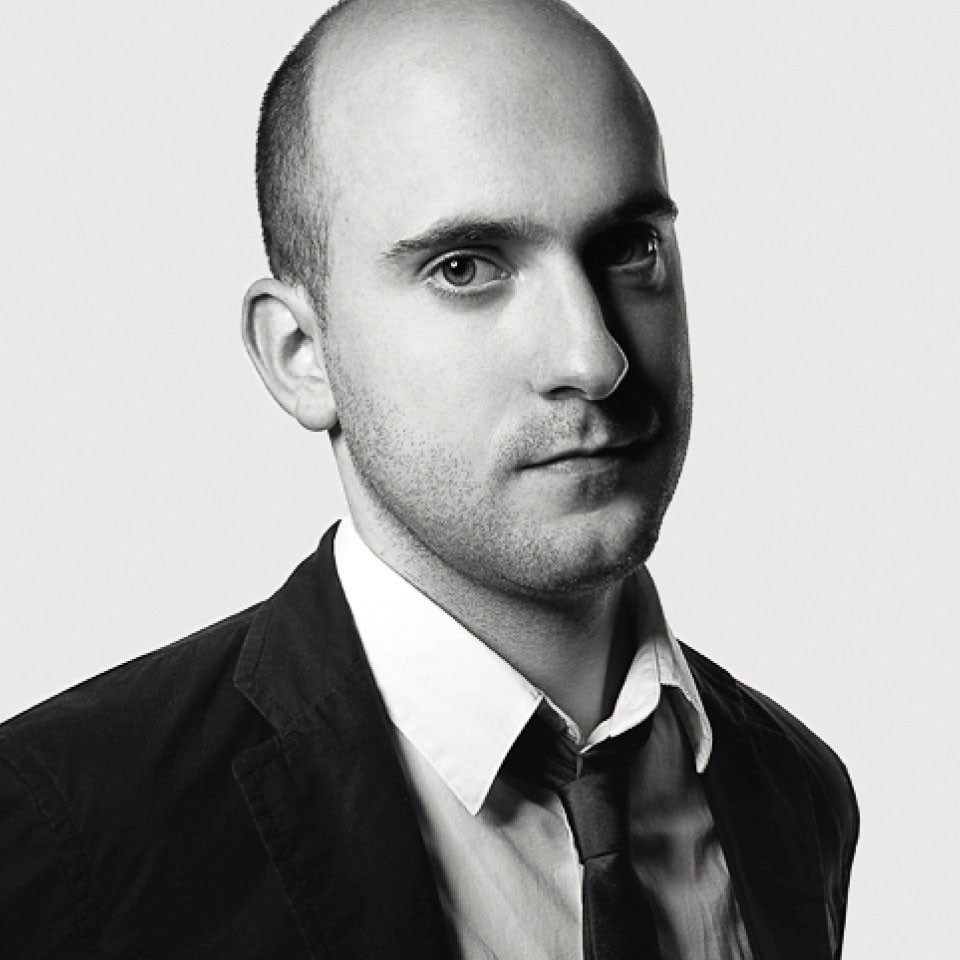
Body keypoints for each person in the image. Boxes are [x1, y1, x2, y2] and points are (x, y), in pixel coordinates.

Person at [0, 0, 858, 957]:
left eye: (629, 248)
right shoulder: (61, 840)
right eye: (465, 268)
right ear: (300, 354)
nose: (594, 358)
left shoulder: (795, 790)